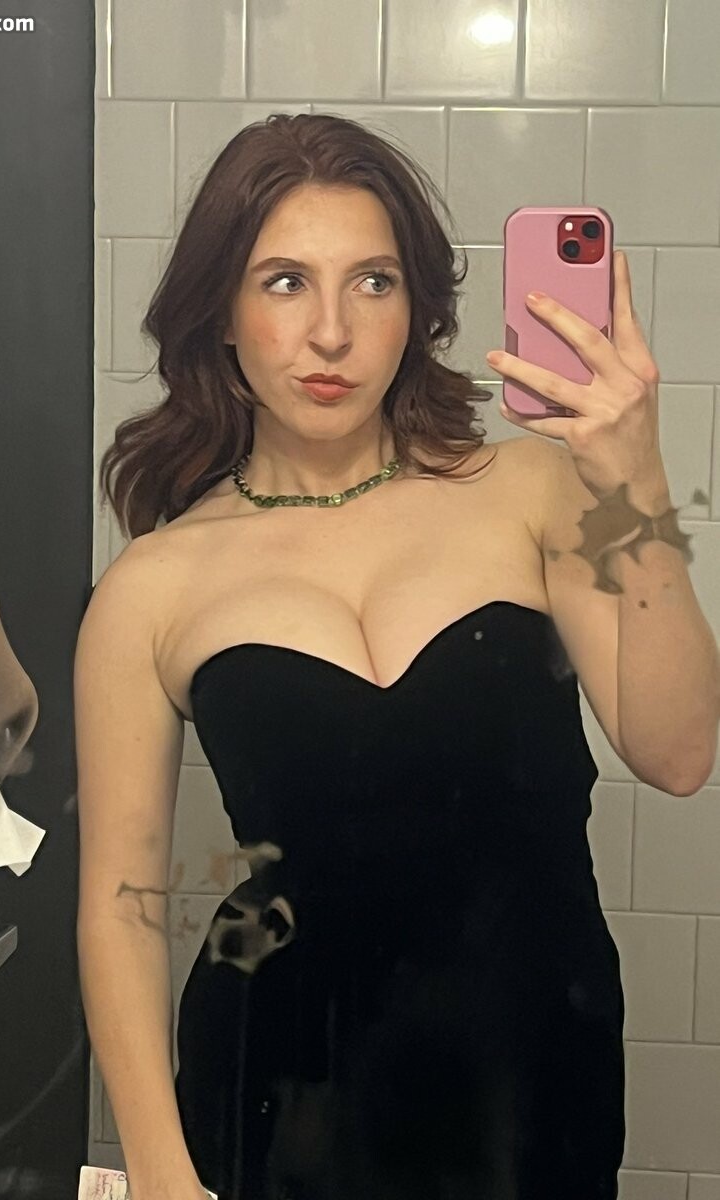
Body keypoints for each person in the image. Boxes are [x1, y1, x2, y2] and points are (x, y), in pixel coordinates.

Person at [75, 113, 629, 1200]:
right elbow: (120, 905)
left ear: (417, 310)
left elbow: (679, 747)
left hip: (534, 1087)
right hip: (277, 1095)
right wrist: (161, 1175)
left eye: (373, 282)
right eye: (284, 282)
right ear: (221, 313)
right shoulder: (153, 586)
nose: (331, 332)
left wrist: (636, 474)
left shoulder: (533, 493)